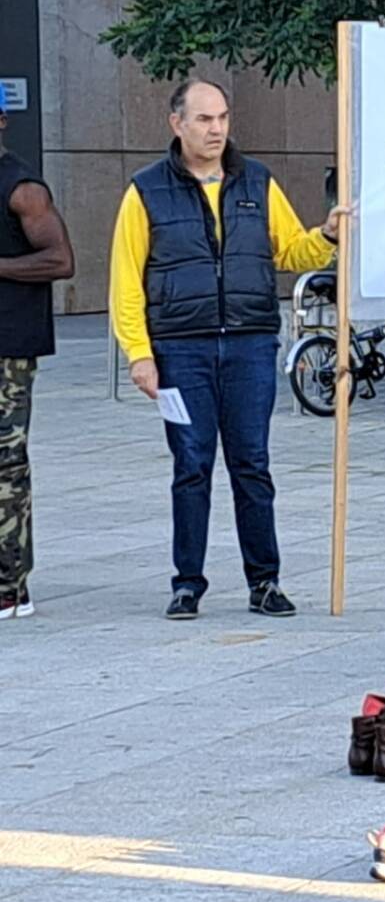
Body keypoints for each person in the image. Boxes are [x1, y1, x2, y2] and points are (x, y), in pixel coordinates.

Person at [111, 78, 346, 620]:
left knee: (252, 464)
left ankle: (265, 581)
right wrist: (139, 353)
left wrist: (328, 236)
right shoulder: (145, 191)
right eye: (203, 119)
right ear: (177, 124)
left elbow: (290, 250)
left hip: (249, 343)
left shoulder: (255, 181)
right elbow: (126, 281)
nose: (215, 129)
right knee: (191, 465)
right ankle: (187, 583)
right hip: (181, 349)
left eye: (222, 118)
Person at [0, 100, 75, 621]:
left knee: (4, 465)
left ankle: (10, 585)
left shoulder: (22, 187)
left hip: (8, 347)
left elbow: (60, 259)